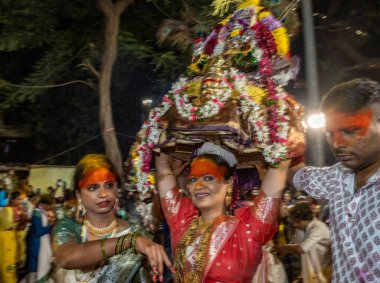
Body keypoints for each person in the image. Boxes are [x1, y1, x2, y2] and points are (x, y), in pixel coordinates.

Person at [155, 142, 291, 282]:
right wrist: (162, 132)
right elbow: (162, 166)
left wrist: (278, 128)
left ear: (229, 184)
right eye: (193, 179)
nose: (199, 186)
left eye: (208, 178)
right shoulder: (182, 220)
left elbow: (279, 169)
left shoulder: (249, 228)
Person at [289, 78, 380, 282]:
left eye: (351, 130)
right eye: (330, 133)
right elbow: (296, 174)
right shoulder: (337, 176)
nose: (337, 143)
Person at [52, 154, 172, 283]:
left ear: (117, 188)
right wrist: (129, 241)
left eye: (109, 185)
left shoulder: (139, 234)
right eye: (92, 187)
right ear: (78, 194)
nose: (103, 194)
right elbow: (66, 258)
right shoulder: (67, 226)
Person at [275, 203, 332, 283]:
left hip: (324, 270)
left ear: (306, 219)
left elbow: (302, 248)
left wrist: (283, 247)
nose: (295, 224)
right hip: (312, 270)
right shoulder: (302, 228)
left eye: (297, 221)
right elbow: (295, 244)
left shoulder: (318, 227)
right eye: (294, 221)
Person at [24, 194, 56, 283]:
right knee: (34, 268)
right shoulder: (37, 213)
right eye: (49, 205)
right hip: (36, 243)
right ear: (43, 204)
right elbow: (38, 232)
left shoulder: (43, 212)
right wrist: (49, 226)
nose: (50, 207)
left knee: (39, 266)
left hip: (41, 243)